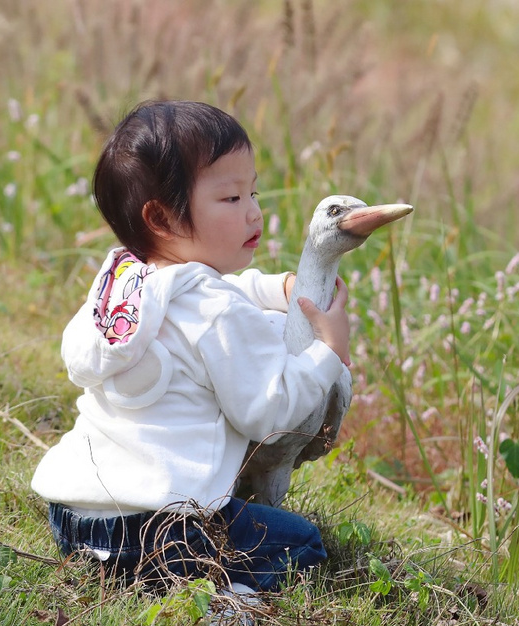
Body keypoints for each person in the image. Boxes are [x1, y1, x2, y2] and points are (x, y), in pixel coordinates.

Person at [31, 100, 351, 598]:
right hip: (159, 532)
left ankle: (111, 574)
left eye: (253, 191)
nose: (253, 211)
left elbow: (198, 295)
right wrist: (327, 351)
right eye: (230, 198)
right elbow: (270, 414)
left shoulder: (126, 282)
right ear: (161, 216)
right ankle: (222, 603)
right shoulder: (218, 312)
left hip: (72, 518)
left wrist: (274, 289)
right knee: (302, 544)